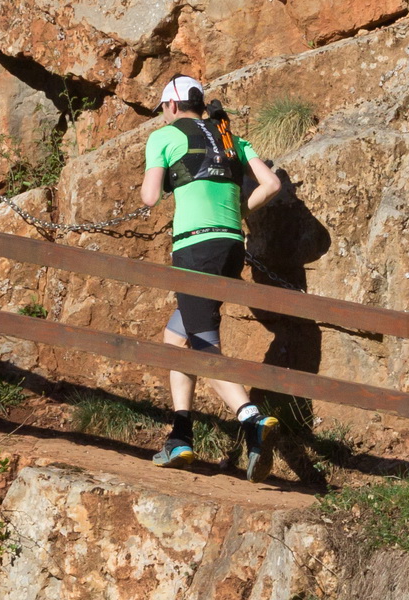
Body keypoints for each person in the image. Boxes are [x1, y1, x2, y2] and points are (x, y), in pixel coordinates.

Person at [139, 75, 284, 482]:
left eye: (164, 108)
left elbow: (149, 197)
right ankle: (181, 435)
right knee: (177, 338)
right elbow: (270, 183)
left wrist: (168, 176)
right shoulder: (228, 134)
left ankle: (250, 417)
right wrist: (238, 212)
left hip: (195, 248)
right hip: (231, 248)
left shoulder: (164, 136)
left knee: (203, 345)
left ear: (171, 106)